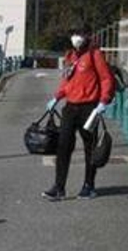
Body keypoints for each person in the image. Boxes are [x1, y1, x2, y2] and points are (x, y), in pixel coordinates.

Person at [43, 24, 115, 201]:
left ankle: (88, 185)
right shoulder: (71, 56)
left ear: (87, 36)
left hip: (89, 108)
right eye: (73, 34)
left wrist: (103, 101)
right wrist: (57, 97)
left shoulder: (94, 54)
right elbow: (66, 82)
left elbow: (106, 78)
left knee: (90, 147)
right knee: (63, 146)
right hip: (70, 107)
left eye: (79, 34)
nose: (76, 37)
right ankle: (59, 187)